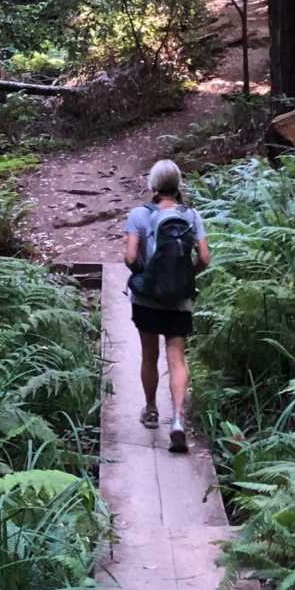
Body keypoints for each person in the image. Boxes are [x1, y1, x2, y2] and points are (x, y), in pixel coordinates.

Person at [123, 159, 211, 453]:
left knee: (149, 354)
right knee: (177, 359)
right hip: (179, 300)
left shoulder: (138, 214)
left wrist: (145, 273)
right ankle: (177, 420)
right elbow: (205, 258)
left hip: (148, 299)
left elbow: (130, 258)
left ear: (153, 185)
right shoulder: (192, 215)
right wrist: (186, 276)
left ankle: (150, 410)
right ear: (178, 183)